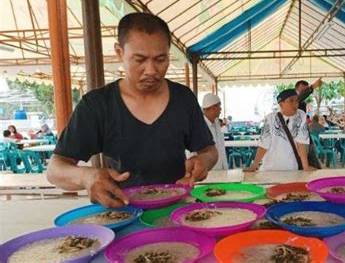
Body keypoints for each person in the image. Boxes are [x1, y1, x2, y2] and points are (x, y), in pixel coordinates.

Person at [46, 13, 218, 208]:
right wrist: (88, 177)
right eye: (139, 59)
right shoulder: (97, 104)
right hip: (121, 211)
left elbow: (209, 150)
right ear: (119, 53)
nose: (151, 70)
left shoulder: (183, 98)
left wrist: (203, 161)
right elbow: (55, 169)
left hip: (177, 210)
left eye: (160, 59)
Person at [243, 89, 314, 172]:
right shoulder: (270, 118)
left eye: (296, 100)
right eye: (291, 101)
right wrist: (254, 166)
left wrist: (306, 167)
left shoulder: (301, 115)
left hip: (292, 168)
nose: (295, 104)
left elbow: (301, 143)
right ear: (281, 104)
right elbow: (263, 144)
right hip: (271, 169)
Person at [201, 93, 228, 171]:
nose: (221, 109)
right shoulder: (198, 126)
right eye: (219, 106)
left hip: (222, 171)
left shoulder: (217, 123)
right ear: (213, 107)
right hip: (207, 174)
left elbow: (221, 147)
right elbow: (191, 154)